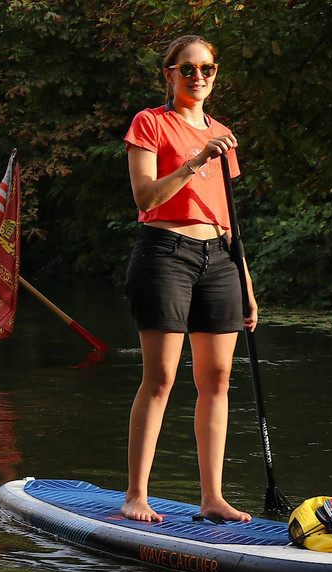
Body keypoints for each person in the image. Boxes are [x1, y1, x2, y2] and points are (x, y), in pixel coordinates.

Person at [121, 35, 255, 524]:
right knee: (160, 378)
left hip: (220, 260)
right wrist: (197, 161)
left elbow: (228, 218)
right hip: (164, 254)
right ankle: (137, 495)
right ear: (169, 75)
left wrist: (246, 283)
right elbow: (145, 198)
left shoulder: (223, 132)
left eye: (208, 69)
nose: (198, 77)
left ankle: (213, 497)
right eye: (187, 69)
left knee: (216, 380)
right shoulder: (150, 123)